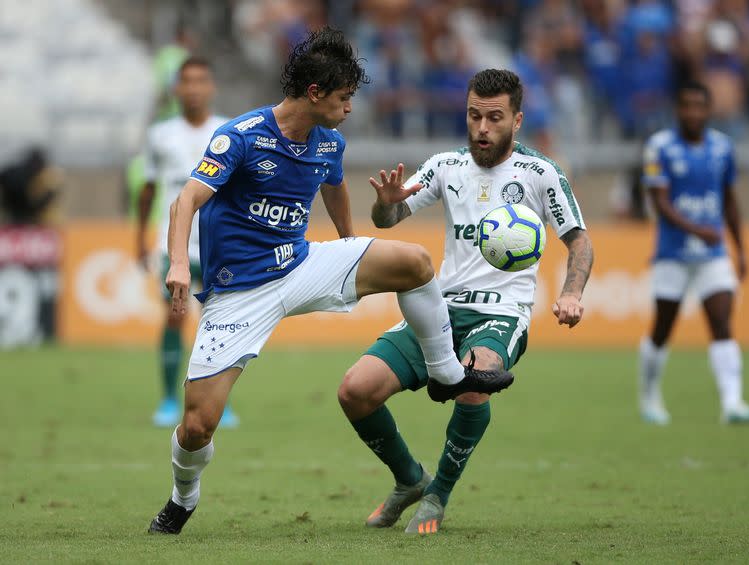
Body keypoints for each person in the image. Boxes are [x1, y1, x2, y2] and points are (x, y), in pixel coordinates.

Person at [147, 27, 513, 535]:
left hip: (300, 266)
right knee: (197, 426)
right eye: (343, 98)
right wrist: (179, 264)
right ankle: (182, 498)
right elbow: (184, 200)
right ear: (315, 93)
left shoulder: (329, 142)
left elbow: (334, 186)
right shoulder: (241, 136)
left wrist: (349, 245)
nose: (348, 108)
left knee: (413, 262)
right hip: (238, 293)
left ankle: (447, 374)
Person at [337, 69, 594, 535]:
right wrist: (386, 203)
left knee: (476, 379)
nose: (481, 128)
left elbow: (579, 241)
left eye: (494, 118)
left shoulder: (541, 173)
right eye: (474, 115)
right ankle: (410, 480)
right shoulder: (444, 166)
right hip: (441, 305)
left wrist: (571, 293)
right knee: (354, 391)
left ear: (517, 120)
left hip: (501, 310)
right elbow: (389, 218)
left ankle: (439, 494)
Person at [638, 81, 749, 426]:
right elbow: (659, 201)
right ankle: (649, 396)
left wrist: (740, 248)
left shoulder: (723, 147)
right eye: (686, 105)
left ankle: (732, 403)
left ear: (708, 110)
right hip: (672, 253)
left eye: (699, 105)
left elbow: (730, 198)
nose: (693, 112)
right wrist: (698, 230)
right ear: (677, 109)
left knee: (722, 321)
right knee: (663, 328)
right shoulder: (659, 146)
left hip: (713, 254)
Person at [137, 57, 239, 429]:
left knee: (221, 324)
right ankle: (167, 400)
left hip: (220, 245)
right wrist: (138, 239)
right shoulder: (160, 135)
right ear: (176, 89)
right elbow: (148, 190)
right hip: (174, 247)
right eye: (187, 81)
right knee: (173, 317)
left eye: (201, 80)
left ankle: (218, 404)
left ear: (210, 87)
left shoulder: (228, 131)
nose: (194, 88)